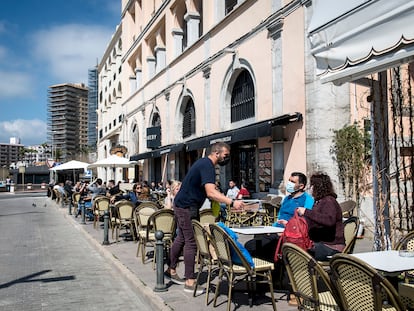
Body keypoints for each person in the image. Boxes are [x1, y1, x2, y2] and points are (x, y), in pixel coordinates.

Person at [165, 142, 244, 294]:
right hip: (187, 206)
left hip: (184, 204)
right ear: (216, 153)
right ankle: (189, 281)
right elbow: (211, 192)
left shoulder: (203, 163)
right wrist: (232, 202)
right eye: (225, 155)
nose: (227, 158)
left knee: (182, 238)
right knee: (191, 242)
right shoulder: (207, 165)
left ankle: (171, 269)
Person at [244, 172, 314, 262]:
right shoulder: (287, 198)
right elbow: (280, 216)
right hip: (276, 230)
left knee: (252, 246)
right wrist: (271, 228)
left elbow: (304, 222)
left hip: (289, 234)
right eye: (289, 181)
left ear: (301, 186)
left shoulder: (307, 199)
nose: (289, 184)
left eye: (292, 182)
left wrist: (287, 228)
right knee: (256, 239)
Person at [297, 172, 345, 261]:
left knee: (297, 252)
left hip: (331, 246)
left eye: (312, 185)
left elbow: (329, 220)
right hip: (320, 243)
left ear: (317, 187)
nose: (310, 188)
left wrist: (306, 212)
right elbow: (314, 222)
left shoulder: (329, 201)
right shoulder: (319, 202)